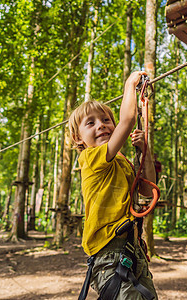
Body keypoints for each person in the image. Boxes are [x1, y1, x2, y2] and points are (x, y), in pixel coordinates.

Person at [69, 71, 157, 300]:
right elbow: (127, 121)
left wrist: (144, 151)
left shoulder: (122, 161)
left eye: (106, 120)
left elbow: (148, 191)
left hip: (132, 248)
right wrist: (130, 84)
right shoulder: (90, 159)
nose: (101, 126)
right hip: (109, 252)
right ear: (79, 138)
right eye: (91, 123)